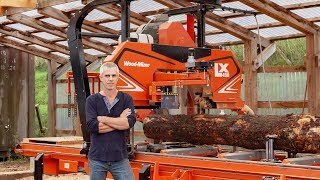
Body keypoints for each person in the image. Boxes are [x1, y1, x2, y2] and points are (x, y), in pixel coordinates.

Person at [85, 62, 136, 180]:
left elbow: (129, 123)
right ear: (101, 77)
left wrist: (102, 119)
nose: (110, 79)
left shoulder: (126, 99)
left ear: (118, 77)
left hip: (120, 158)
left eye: (114, 75)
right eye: (107, 76)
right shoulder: (92, 100)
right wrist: (120, 121)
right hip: (97, 158)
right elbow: (92, 126)